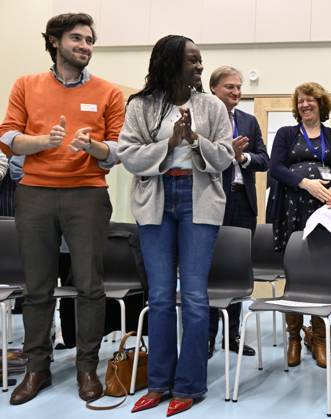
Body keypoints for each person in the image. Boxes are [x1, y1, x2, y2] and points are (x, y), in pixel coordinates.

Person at [0, 13, 124, 404]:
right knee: (38, 287)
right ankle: (37, 369)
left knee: (90, 285)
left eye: (89, 40)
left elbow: (120, 149)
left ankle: (87, 368)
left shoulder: (109, 91)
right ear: (55, 41)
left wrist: (95, 148)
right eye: (76, 39)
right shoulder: (26, 84)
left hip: (86, 194)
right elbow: (7, 136)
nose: (85, 46)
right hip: (34, 193)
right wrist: (43, 142)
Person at [117, 35, 233, 416]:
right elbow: (130, 156)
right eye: (192, 61)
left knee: (196, 298)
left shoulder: (212, 105)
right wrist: (169, 144)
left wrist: (196, 140)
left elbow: (224, 158)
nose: (200, 67)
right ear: (170, 62)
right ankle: (158, 383)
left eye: (201, 60)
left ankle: (190, 386)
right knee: (161, 297)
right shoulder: (141, 105)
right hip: (156, 200)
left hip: (197, 200)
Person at [268, 82, 331, 368]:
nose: (304, 105)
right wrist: (305, 183)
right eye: (301, 101)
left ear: (321, 104)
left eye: (310, 101)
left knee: (320, 273)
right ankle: (293, 337)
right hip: (290, 208)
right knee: (295, 271)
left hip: (323, 209)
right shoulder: (286, 134)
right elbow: (274, 167)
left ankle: (318, 339)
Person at [208, 65, 269, 359]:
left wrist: (242, 157)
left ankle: (231, 336)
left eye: (238, 87)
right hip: (213, 201)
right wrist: (224, 154)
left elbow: (264, 160)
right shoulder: (205, 118)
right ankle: (207, 336)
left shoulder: (248, 121)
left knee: (237, 269)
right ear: (214, 89)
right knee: (211, 269)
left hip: (243, 202)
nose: (236, 92)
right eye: (229, 87)